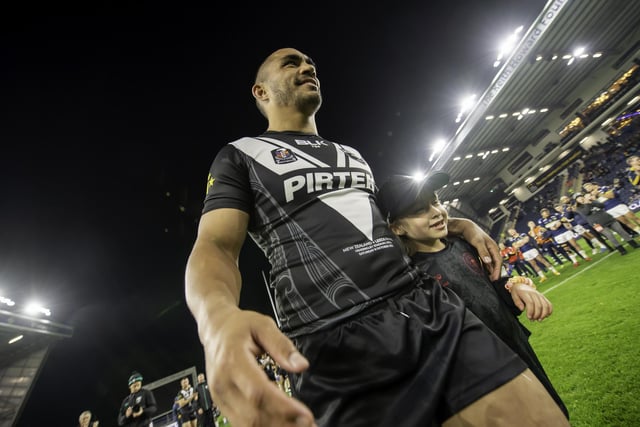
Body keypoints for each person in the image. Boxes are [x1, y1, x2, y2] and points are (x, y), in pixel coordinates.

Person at [184, 47, 570, 426]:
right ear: (261, 92)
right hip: (333, 342)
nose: (306, 66)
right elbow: (216, 245)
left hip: (426, 307)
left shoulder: (351, 155)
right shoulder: (240, 155)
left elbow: (394, 227)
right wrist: (216, 319)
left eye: (310, 63)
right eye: (291, 63)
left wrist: (462, 225)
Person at [376, 172, 569, 419]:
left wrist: (519, 286)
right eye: (419, 210)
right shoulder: (413, 276)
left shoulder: (466, 245)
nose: (435, 211)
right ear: (397, 227)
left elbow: (494, 285)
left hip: (515, 343)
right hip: (482, 369)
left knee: (555, 413)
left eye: (435, 201)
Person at [573, 192, 639, 255]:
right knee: (610, 236)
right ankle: (621, 250)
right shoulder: (578, 208)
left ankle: (634, 244)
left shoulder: (591, 201)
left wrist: (593, 201)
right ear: (577, 201)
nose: (581, 198)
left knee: (621, 231)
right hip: (596, 224)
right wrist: (587, 203)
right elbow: (586, 212)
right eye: (578, 198)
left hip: (608, 218)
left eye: (581, 197)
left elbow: (601, 205)